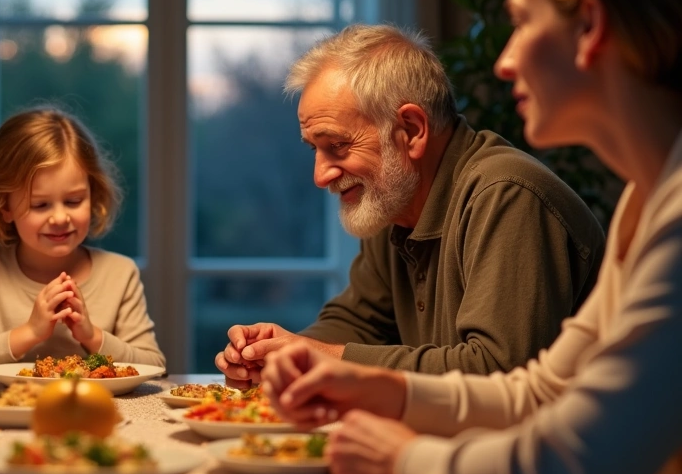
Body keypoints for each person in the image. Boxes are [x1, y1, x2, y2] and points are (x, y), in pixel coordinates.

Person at [261, 0, 682, 474]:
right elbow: (537, 393)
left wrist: (403, 460)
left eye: (520, 23)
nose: (504, 60)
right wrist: (356, 381)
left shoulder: (539, 196)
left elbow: (569, 473)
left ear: (590, 25)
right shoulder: (644, 202)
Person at [215, 24, 605, 382]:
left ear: (412, 131)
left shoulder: (508, 195)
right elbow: (357, 322)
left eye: (336, 146)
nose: (320, 176)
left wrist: (324, 357)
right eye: (315, 149)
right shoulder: (395, 198)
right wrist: (277, 354)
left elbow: (498, 372)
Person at [0, 108, 166, 379]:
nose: (60, 217)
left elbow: (154, 366)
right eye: (40, 205)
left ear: (94, 195)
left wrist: (92, 336)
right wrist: (31, 332)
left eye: (73, 201)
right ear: (4, 207)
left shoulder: (120, 273)